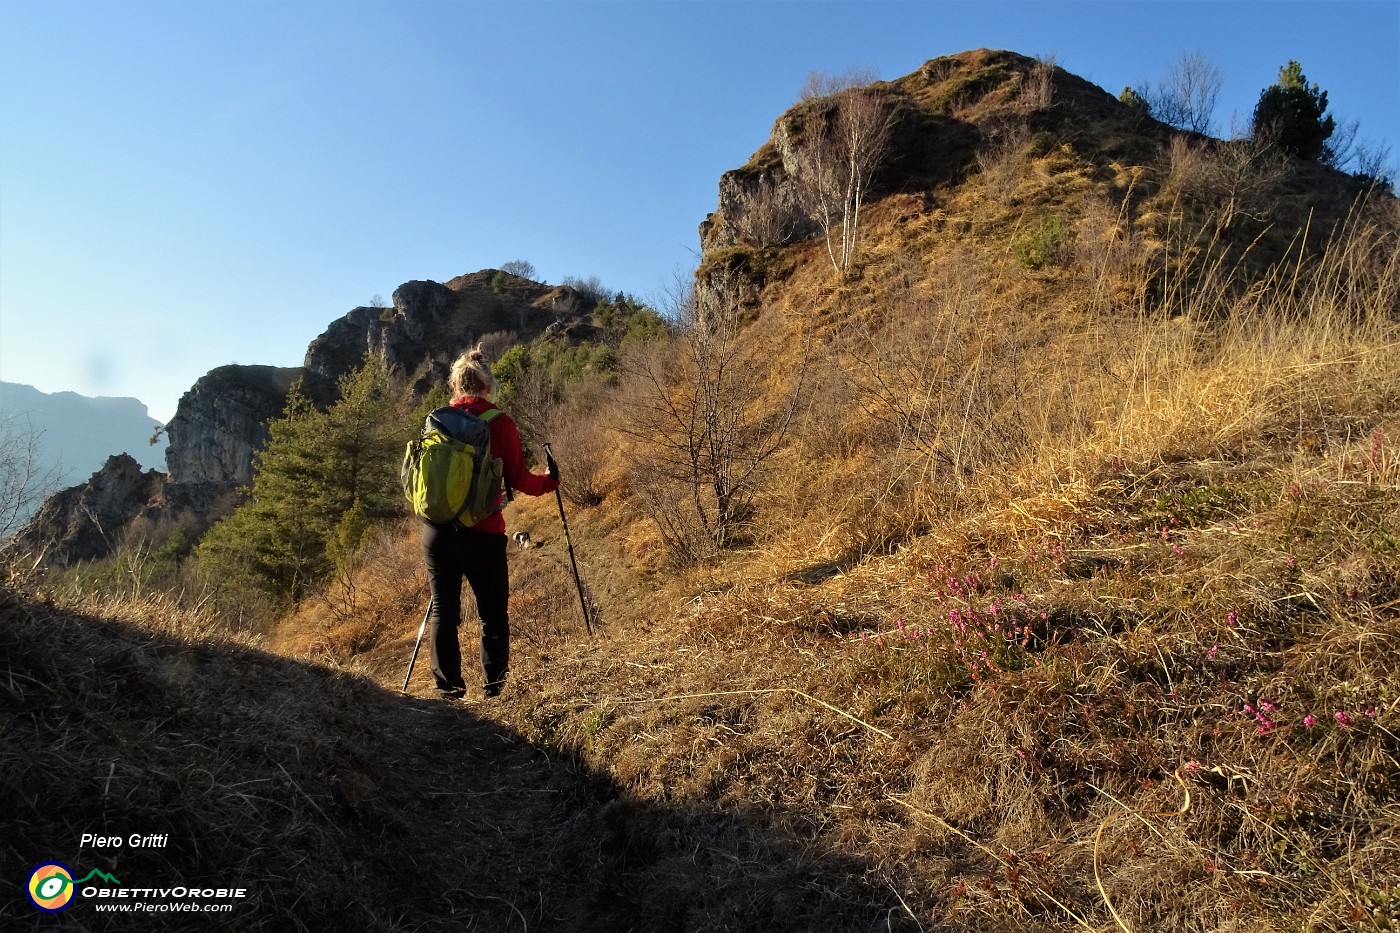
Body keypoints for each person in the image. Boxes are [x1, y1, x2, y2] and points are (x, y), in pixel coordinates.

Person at [422, 346, 558, 700]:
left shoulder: (435, 420)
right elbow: (520, 480)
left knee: (443, 610)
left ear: (454, 385)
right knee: (492, 614)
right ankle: (494, 690)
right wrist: (550, 481)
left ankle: (449, 690)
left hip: (437, 531)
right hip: (483, 532)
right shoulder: (499, 422)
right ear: (488, 386)